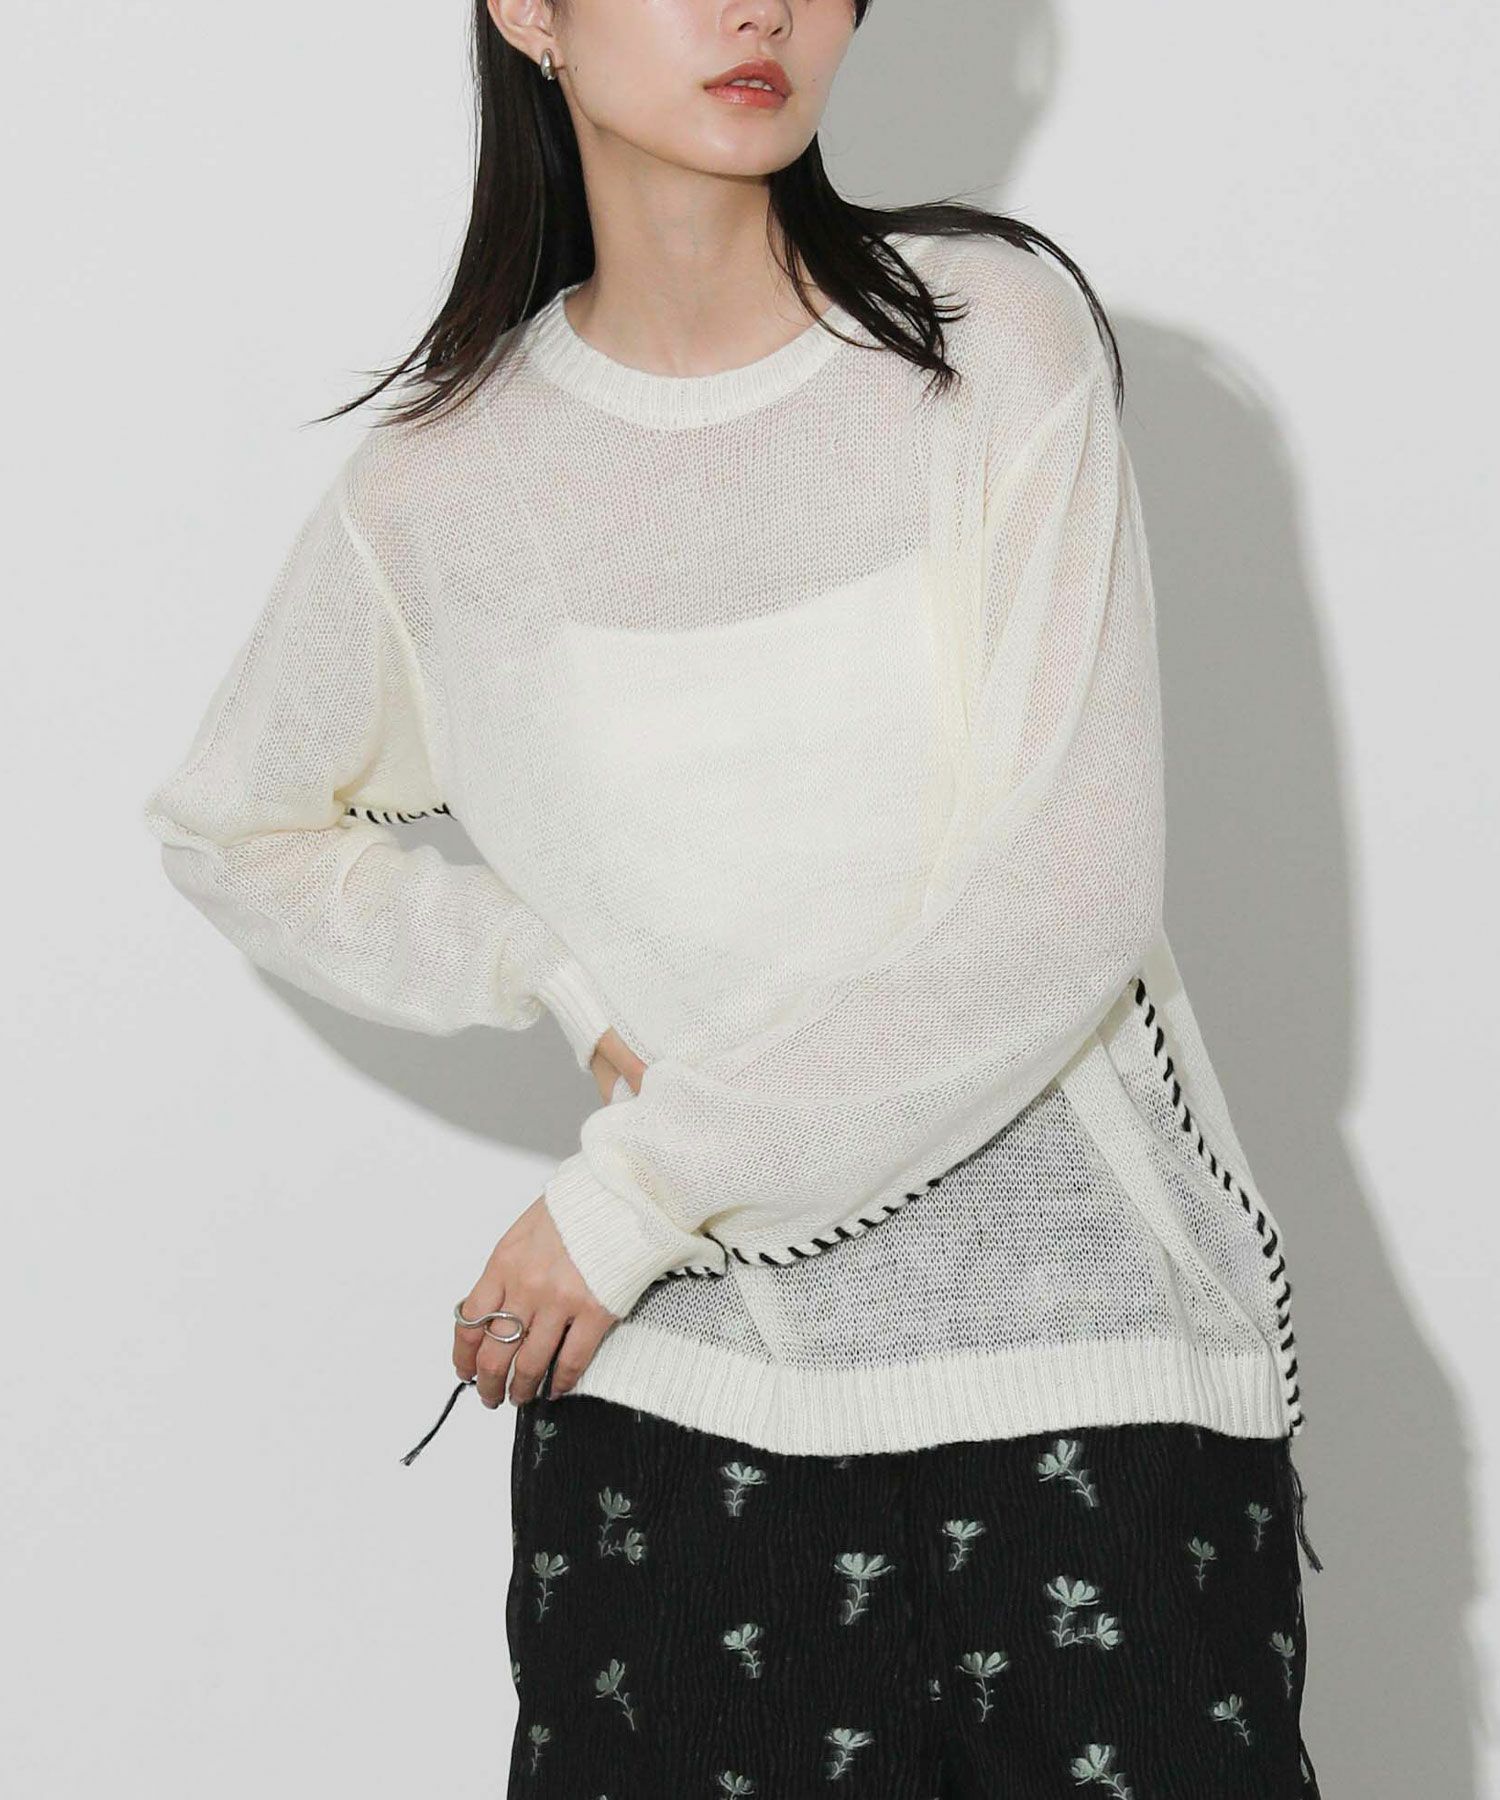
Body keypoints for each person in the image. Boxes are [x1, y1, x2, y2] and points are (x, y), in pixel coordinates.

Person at [141, 1, 1324, 1793]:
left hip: (1089, 1391)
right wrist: (545, 970)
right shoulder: (441, 489)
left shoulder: (985, 342)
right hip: (681, 1422)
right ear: (528, 11)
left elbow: (1067, 902)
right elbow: (235, 827)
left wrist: (638, 1192)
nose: (762, 6)